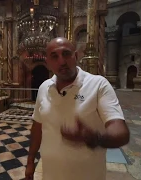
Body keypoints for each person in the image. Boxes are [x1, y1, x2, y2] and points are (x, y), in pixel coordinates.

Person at [25, 37, 130, 180]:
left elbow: (121, 132)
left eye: (66, 54)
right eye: (54, 56)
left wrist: (94, 138)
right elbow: (37, 127)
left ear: (75, 56)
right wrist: (30, 161)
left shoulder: (98, 85)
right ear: (48, 63)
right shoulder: (44, 87)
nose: (62, 61)